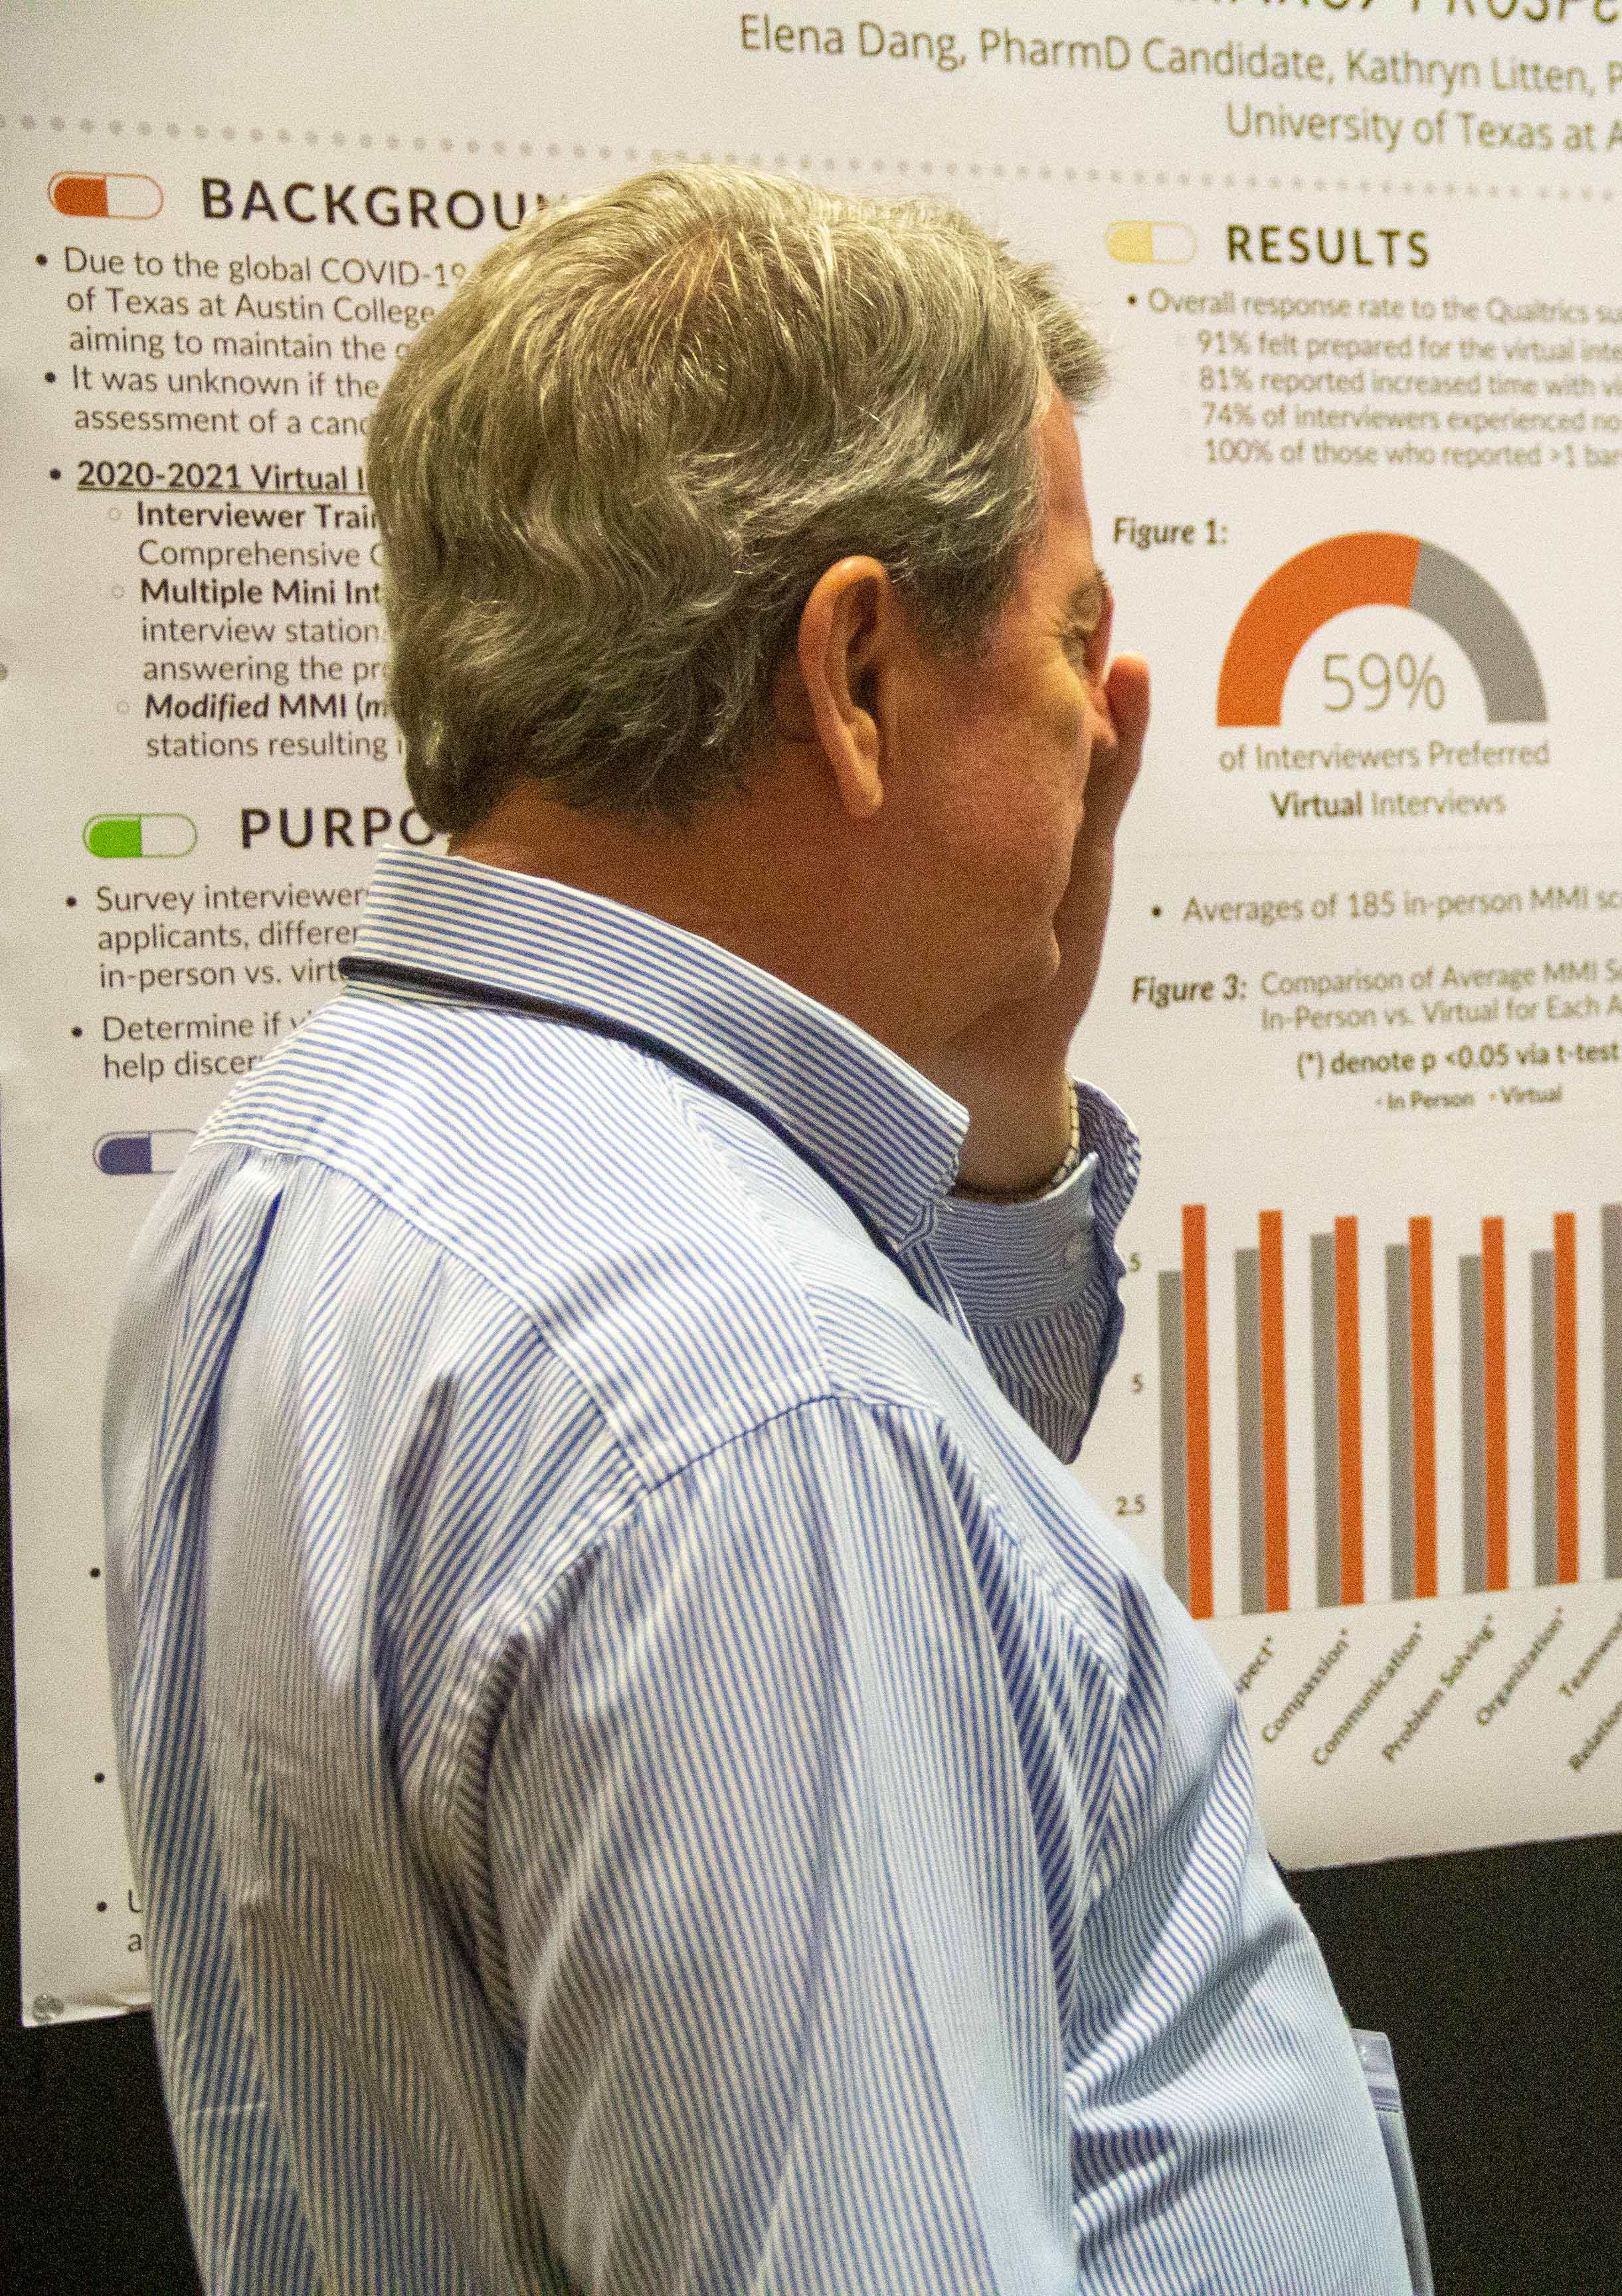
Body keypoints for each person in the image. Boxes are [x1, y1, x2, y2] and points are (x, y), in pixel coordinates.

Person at [102, 167, 1415, 2292]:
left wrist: (996, 1110)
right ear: (859, 671)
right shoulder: (752, 1395)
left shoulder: (308, 1163)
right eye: (1075, 634)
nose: (1105, 715)